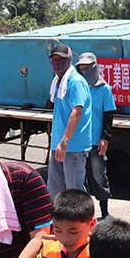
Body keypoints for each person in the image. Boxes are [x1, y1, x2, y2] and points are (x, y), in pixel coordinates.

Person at [47, 44, 93, 197]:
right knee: (54, 191)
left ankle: (82, 221)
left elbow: (76, 111)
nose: (57, 62)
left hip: (72, 147)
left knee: (75, 193)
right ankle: (57, 221)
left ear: (69, 59)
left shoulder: (75, 81)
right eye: (53, 59)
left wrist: (64, 141)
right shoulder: (58, 82)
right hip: (58, 147)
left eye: (61, 58)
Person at [76, 52, 116, 217]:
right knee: (79, 178)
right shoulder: (76, 86)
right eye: (81, 67)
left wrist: (105, 138)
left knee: (99, 175)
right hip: (77, 140)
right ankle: (82, 213)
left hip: (94, 140)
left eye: (87, 67)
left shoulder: (104, 88)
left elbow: (109, 115)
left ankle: (105, 212)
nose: (84, 70)